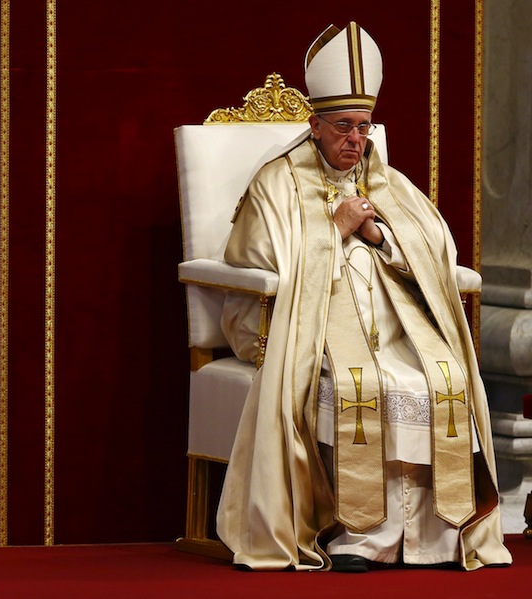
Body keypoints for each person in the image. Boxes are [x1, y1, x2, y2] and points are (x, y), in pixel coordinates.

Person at [215, 22, 512, 572]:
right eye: (344, 128)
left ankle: (433, 537)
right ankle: (358, 536)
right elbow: (253, 268)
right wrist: (335, 231)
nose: (356, 141)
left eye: (365, 127)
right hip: (311, 327)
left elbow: (430, 253)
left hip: (394, 330)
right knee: (363, 383)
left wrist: (377, 235)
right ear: (315, 125)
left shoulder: (387, 181)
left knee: (437, 377)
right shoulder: (276, 183)